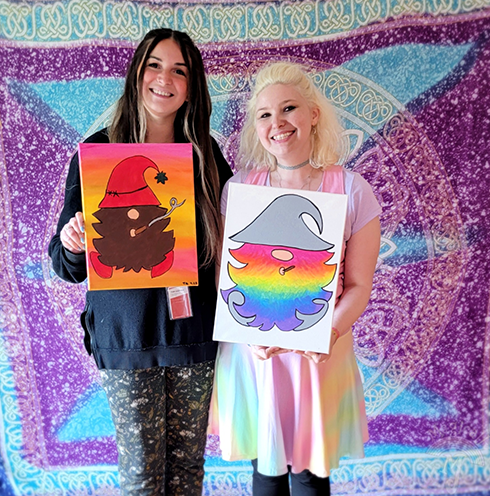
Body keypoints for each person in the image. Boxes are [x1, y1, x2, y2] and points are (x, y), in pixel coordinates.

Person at [48, 28, 232, 496]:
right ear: (136, 73)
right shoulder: (98, 151)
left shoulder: (207, 155)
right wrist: (72, 242)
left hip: (193, 338)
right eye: (154, 64)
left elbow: (237, 242)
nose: (163, 78)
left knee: (188, 472)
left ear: (192, 86)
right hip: (126, 340)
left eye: (179, 70)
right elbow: (67, 265)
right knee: (142, 479)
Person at [210, 62, 381, 495]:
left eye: (289, 108)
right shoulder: (239, 189)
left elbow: (359, 284)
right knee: (265, 471)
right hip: (257, 354)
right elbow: (225, 275)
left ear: (313, 114)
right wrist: (248, 331)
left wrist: (329, 332)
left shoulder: (352, 189)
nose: (277, 122)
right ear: (256, 125)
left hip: (319, 355)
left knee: (309, 473)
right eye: (265, 114)